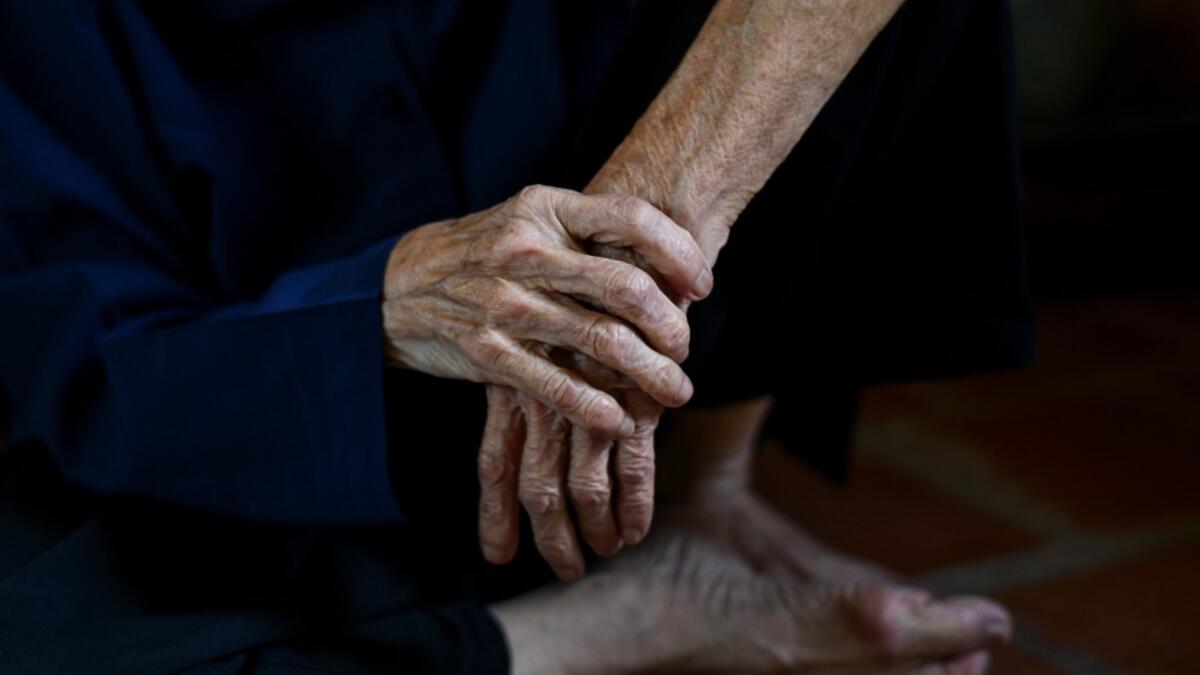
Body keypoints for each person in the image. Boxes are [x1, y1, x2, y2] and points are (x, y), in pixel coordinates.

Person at [0, 1, 1032, 673]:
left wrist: (642, 224)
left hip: (578, 279)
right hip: (234, 393)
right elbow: (77, 346)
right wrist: (388, 305)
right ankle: (609, 627)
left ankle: (702, 499)